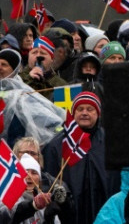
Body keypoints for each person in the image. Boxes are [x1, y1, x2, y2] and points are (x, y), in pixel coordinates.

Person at [43, 91, 117, 223]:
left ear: (98, 113)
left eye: (90, 109)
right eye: (80, 109)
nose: (84, 113)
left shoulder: (111, 142)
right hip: (70, 215)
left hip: (105, 212)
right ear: (73, 113)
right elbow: (49, 180)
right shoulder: (56, 145)